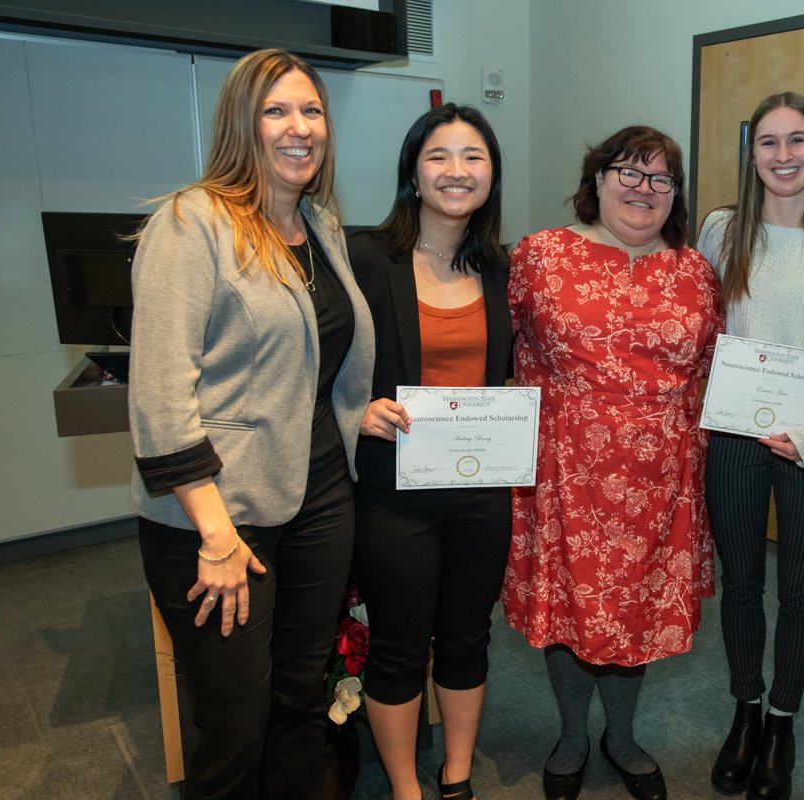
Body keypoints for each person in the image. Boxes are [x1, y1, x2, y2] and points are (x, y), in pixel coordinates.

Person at [128, 49, 376, 799]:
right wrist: (215, 533)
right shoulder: (190, 222)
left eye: (311, 111)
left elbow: (314, 362)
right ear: (243, 122)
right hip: (220, 518)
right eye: (277, 111)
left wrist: (367, 412)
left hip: (322, 495)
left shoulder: (319, 224)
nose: (299, 128)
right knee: (235, 722)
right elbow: (160, 396)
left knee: (301, 700)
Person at [503, 126, 723, 800]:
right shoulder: (540, 255)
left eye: (660, 178)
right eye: (626, 170)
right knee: (570, 613)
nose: (642, 187)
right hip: (566, 470)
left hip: (663, 479)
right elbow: (497, 344)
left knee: (637, 614)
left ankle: (621, 738)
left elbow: (716, 371)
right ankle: (572, 736)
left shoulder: (695, 272)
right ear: (595, 181)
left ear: (675, 197)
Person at [696, 92, 804, 800]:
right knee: (740, 583)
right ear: (752, 154)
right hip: (736, 434)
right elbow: (700, 329)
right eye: (768, 142)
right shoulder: (720, 230)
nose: (783, 156)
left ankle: (782, 722)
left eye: (797, 140)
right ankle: (744, 709)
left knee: (801, 588)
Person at [346, 103, 511, 800]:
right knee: (398, 647)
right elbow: (314, 363)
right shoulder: (364, 258)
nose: (456, 171)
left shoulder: (501, 266)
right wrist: (355, 411)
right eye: (439, 156)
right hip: (393, 493)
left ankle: (458, 773)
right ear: (413, 171)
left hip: (480, 487)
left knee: (469, 638)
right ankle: (406, 786)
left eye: (473, 156)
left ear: (492, 174)